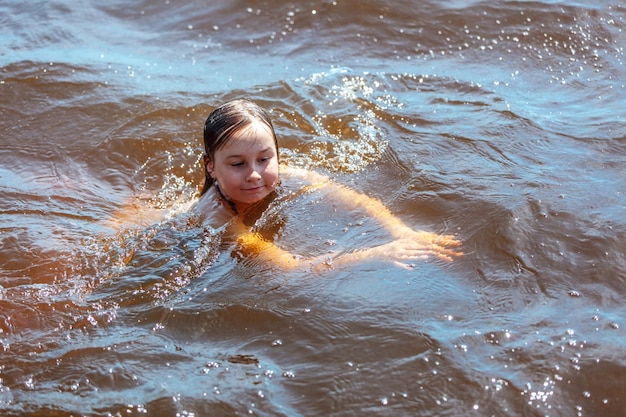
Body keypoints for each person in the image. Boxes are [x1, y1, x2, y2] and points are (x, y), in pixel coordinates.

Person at [190, 98, 461, 270]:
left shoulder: (294, 175)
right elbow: (292, 270)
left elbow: (356, 201)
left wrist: (403, 233)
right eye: (238, 164)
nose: (254, 174)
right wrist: (377, 254)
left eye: (264, 159)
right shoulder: (219, 221)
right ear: (210, 166)